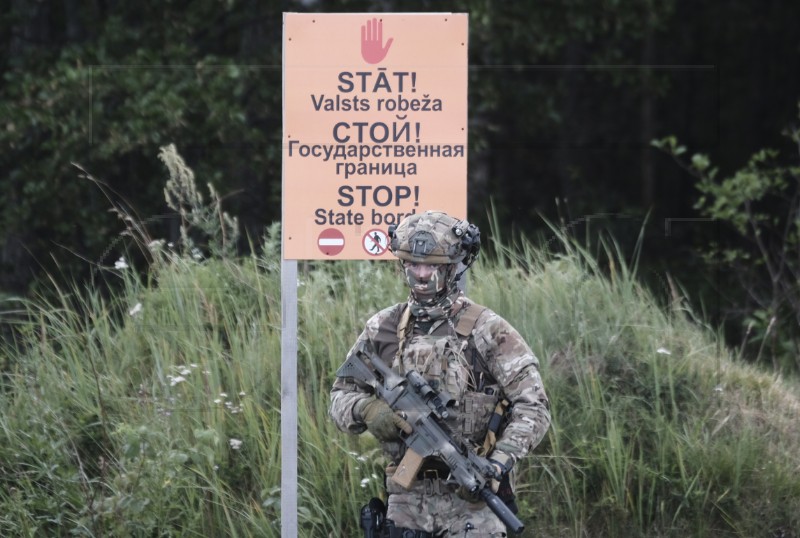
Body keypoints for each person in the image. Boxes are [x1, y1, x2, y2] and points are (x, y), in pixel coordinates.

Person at [329, 210, 551, 537]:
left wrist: (498, 463)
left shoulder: (487, 330)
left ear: (450, 267)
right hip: (407, 500)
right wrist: (368, 409)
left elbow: (534, 407)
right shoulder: (384, 327)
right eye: (412, 265)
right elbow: (340, 395)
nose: (421, 275)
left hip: (472, 505)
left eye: (431, 266)